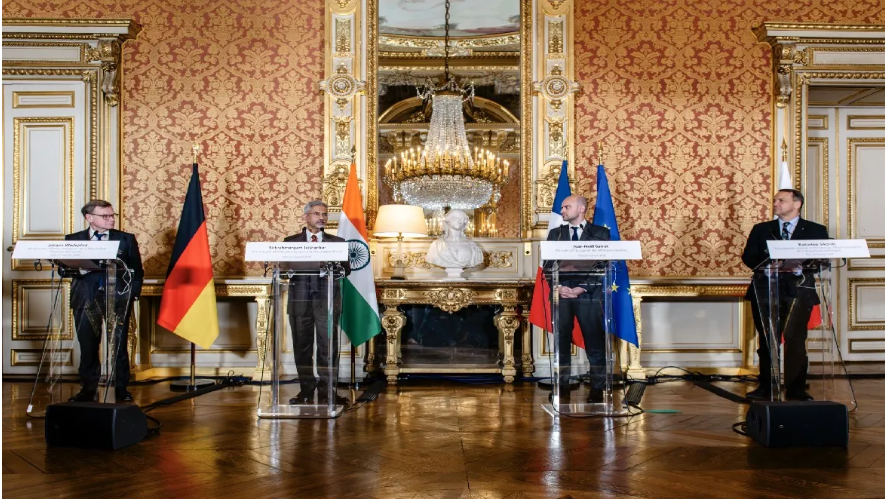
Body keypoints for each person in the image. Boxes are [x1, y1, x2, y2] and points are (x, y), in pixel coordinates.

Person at [742, 189, 828, 401]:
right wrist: (769, 264)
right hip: (765, 291)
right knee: (767, 342)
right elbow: (749, 256)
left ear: (797, 204)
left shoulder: (815, 230)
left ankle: (796, 389)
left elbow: (822, 259)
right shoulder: (762, 229)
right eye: (775, 200)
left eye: (781, 200)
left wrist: (801, 266)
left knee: (796, 342)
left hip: (799, 293)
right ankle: (767, 387)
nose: (776, 203)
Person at [65, 200, 143, 402]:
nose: (111, 219)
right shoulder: (73, 239)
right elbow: (63, 270)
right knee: (88, 345)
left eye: (112, 215)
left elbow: (137, 270)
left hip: (118, 298)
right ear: (89, 218)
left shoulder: (125, 239)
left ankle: (121, 388)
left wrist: (132, 294)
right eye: (105, 216)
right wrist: (79, 269)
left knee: (118, 345)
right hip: (85, 298)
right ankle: (88, 389)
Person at [283, 200, 351, 406]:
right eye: (317, 214)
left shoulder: (338, 243)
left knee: (327, 348)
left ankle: (327, 391)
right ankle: (306, 391)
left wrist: (335, 269)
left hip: (327, 302)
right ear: (306, 217)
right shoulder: (290, 242)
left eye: (324, 214)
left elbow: (346, 269)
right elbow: (284, 270)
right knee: (302, 348)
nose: (322, 217)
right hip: (300, 303)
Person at [545, 195, 610, 403]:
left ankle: (597, 388)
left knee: (594, 341)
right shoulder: (555, 234)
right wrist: (559, 287)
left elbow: (603, 265)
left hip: (588, 295)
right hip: (562, 294)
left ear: (581, 208)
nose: (562, 210)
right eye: (562, 207)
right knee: (561, 341)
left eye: (567, 207)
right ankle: (561, 385)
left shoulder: (600, 233)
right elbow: (547, 266)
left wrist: (582, 288)